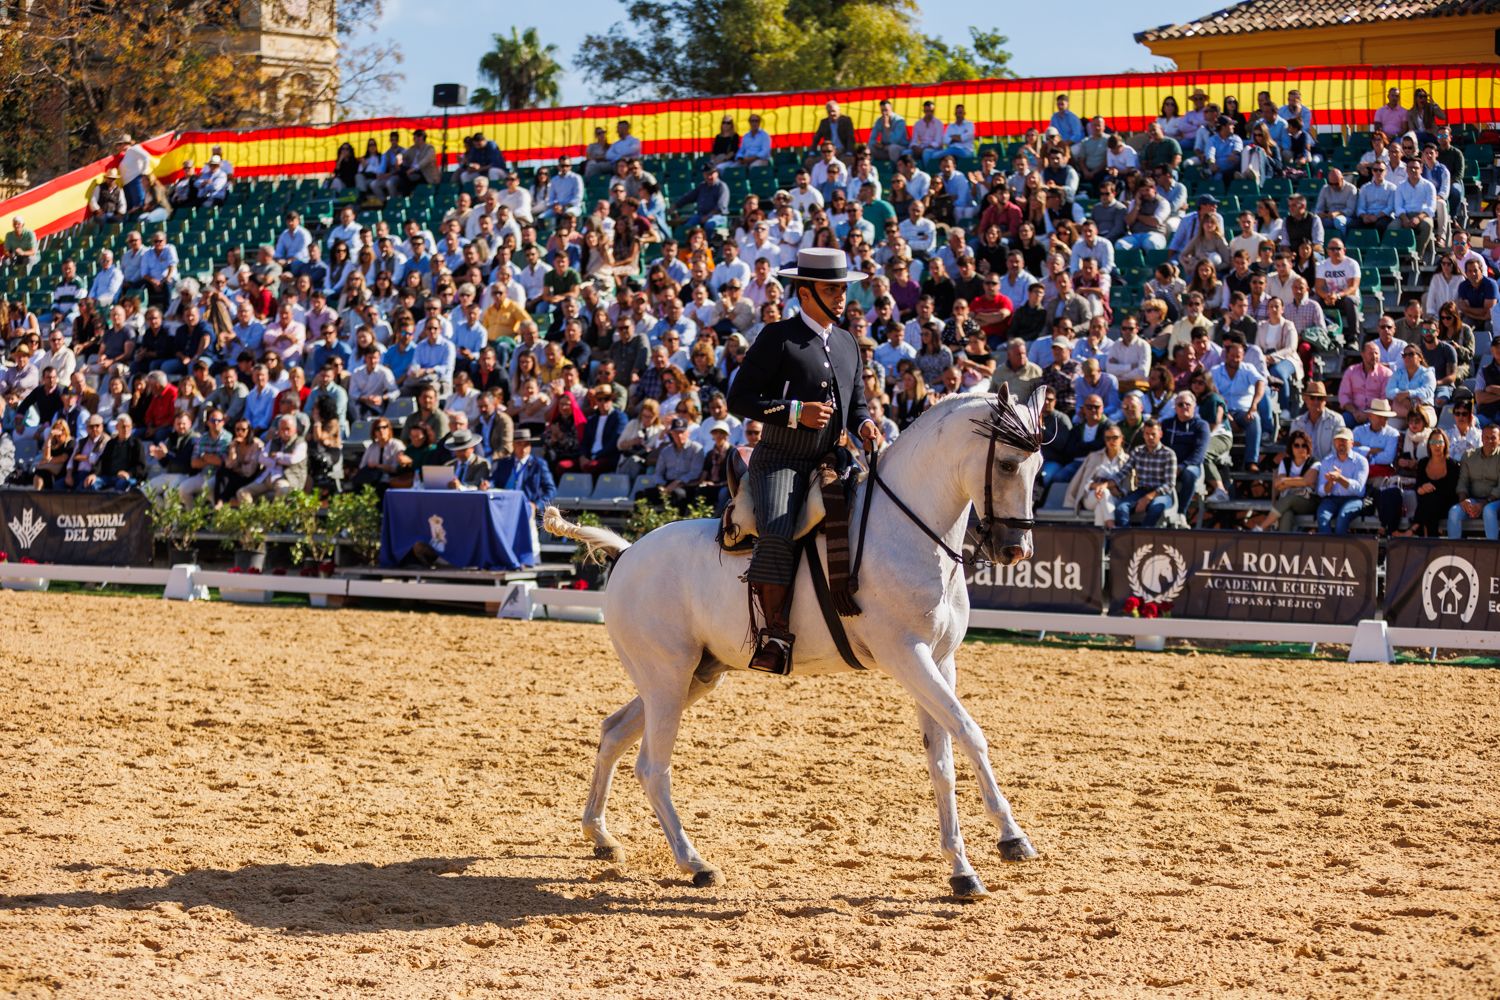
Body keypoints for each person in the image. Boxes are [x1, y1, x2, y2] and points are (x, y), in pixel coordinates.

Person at [726, 247, 878, 674]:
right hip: (780, 460)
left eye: (843, 289)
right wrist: (797, 412)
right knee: (777, 531)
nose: (842, 297)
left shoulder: (848, 342)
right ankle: (773, 637)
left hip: (833, 457)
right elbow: (738, 398)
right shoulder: (778, 337)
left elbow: (858, 403)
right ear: (806, 293)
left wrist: (865, 425)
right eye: (833, 289)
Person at [1095, 417, 1176, 528]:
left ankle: (1142, 538)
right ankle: (1126, 538)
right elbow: (1122, 473)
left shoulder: (1168, 454)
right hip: (1140, 491)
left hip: (1161, 494)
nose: (1150, 437)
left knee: (1156, 507)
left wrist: (1147, 498)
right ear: (1143, 435)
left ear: (1160, 434)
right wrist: (1105, 485)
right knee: (1120, 508)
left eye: (1153, 434)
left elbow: (1169, 484)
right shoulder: (1138, 451)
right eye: (1147, 434)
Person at [1249, 430, 1320, 532]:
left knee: (1289, 499)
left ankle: (1261, 527)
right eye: (1296, 445)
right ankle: (1284, 545)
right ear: (1291, 447)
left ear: (1308, 447)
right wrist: (1298, 482)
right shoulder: (1285, 462)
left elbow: (1308, 481)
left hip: (1309, 501)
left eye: (1304, 445)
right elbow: (1278, 485)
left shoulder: (1314, 462)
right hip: (1288, 502)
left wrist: (1285, 481)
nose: (1300, 448)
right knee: (1287, 514)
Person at [1446, 423, 1500, 539]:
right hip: (1474, 500)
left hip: (1495, 501)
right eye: (1486, 437)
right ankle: (1454, 552)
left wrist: (1484, 504)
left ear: (1499, 440)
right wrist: (1464, 501)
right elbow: (1463, 481)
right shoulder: (1469, 456)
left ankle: (1492, 552)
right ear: (1481, 438)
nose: (1489, 440)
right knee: (1454, 512)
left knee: (1488, 511)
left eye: (1493, 438)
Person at [1315, 428, 1369, 535]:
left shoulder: (1361, 461)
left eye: (1344, 440)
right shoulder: (1327, 461)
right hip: (1331, 499)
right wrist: (1330, 483)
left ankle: (1339, 550)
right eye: (1338, 440)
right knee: (1322, 517)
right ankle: (1328, 548)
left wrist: (1340, 478)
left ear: (1352, 443)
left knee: (1343, 517)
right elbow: (1321, 491)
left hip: (1354, 499)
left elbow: (1358, 489)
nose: (1340, 443)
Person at [1412, 428, 1460, 537]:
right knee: (1429, 502)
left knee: (1431, 500)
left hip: (1446, 505)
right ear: (1429, 445)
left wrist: (1430, 489)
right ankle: (1430, 538)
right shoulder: (1423, 463)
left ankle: (1415, 527)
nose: (1437, 446)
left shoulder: (1453, 465)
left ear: (1445, 444)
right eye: (1433, 442)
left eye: (1440, 442)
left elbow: (1451, 491)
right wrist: (1422, 488)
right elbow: (1418, 487)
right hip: (1428, 505)